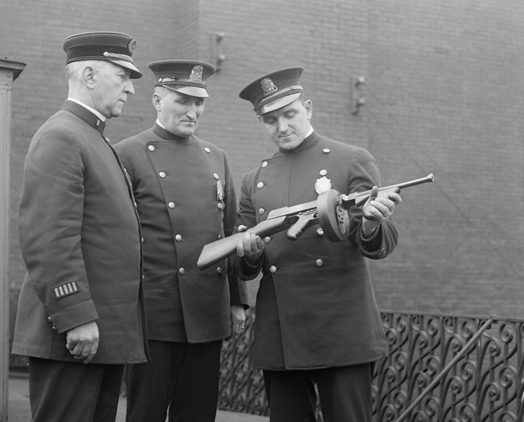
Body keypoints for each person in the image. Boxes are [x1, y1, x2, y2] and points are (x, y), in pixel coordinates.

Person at [234, 66, 403, 422]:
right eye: (269, 120)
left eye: (289, 114)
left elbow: (377, 243)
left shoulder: (350, 158)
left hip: (340, 327)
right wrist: (249, 253)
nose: (282, 127)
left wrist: (372, 222)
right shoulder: (254, 181)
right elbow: (247, 266)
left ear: (307, 108)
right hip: (281, 329)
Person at [12, 31, 149, 422]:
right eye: (122, 76)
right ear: (89, 75)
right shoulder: (63, 136)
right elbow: (48, 237)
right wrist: (75, 315)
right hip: (76, 333)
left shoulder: (90, 137)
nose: (130, 89)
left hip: (98, 334)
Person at [113, 59, 249, 422]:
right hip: (155, 309)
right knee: (147, 411)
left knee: (198, 412)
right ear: (157, 99)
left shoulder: (215, 156)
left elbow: (229, 230)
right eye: (182, 101)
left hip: (207, 305)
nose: (193, 111)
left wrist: (237, 300)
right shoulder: (128, 153)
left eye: (199, 103)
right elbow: (118, 235)